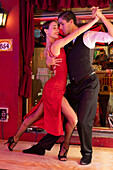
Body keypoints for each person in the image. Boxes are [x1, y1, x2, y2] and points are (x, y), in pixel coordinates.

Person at [5, 12, 99, 161]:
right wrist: (95, 20)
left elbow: (52, 65)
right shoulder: (57, 44)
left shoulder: (50, 45)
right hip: (55, 89)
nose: (58, 29)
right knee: (73, 120)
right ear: (46, 31)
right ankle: (64, 148)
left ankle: (14, 139)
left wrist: (50, 63)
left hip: (56, 87)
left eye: (58, 26)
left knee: (35, 115)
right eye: (55, 27)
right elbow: (78, 32)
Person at [41, 7, 113, 165]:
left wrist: (101, 17)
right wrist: (48, 62)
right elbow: (49, 51)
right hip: (73, 85)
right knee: (58, 111)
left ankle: (87, 153)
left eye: (61, 24)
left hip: (89, 83)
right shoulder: (65, 41)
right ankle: (43, 146)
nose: (60, 28)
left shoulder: (87, 35)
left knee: (83, 120)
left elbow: (112, 35)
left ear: (70, 22)